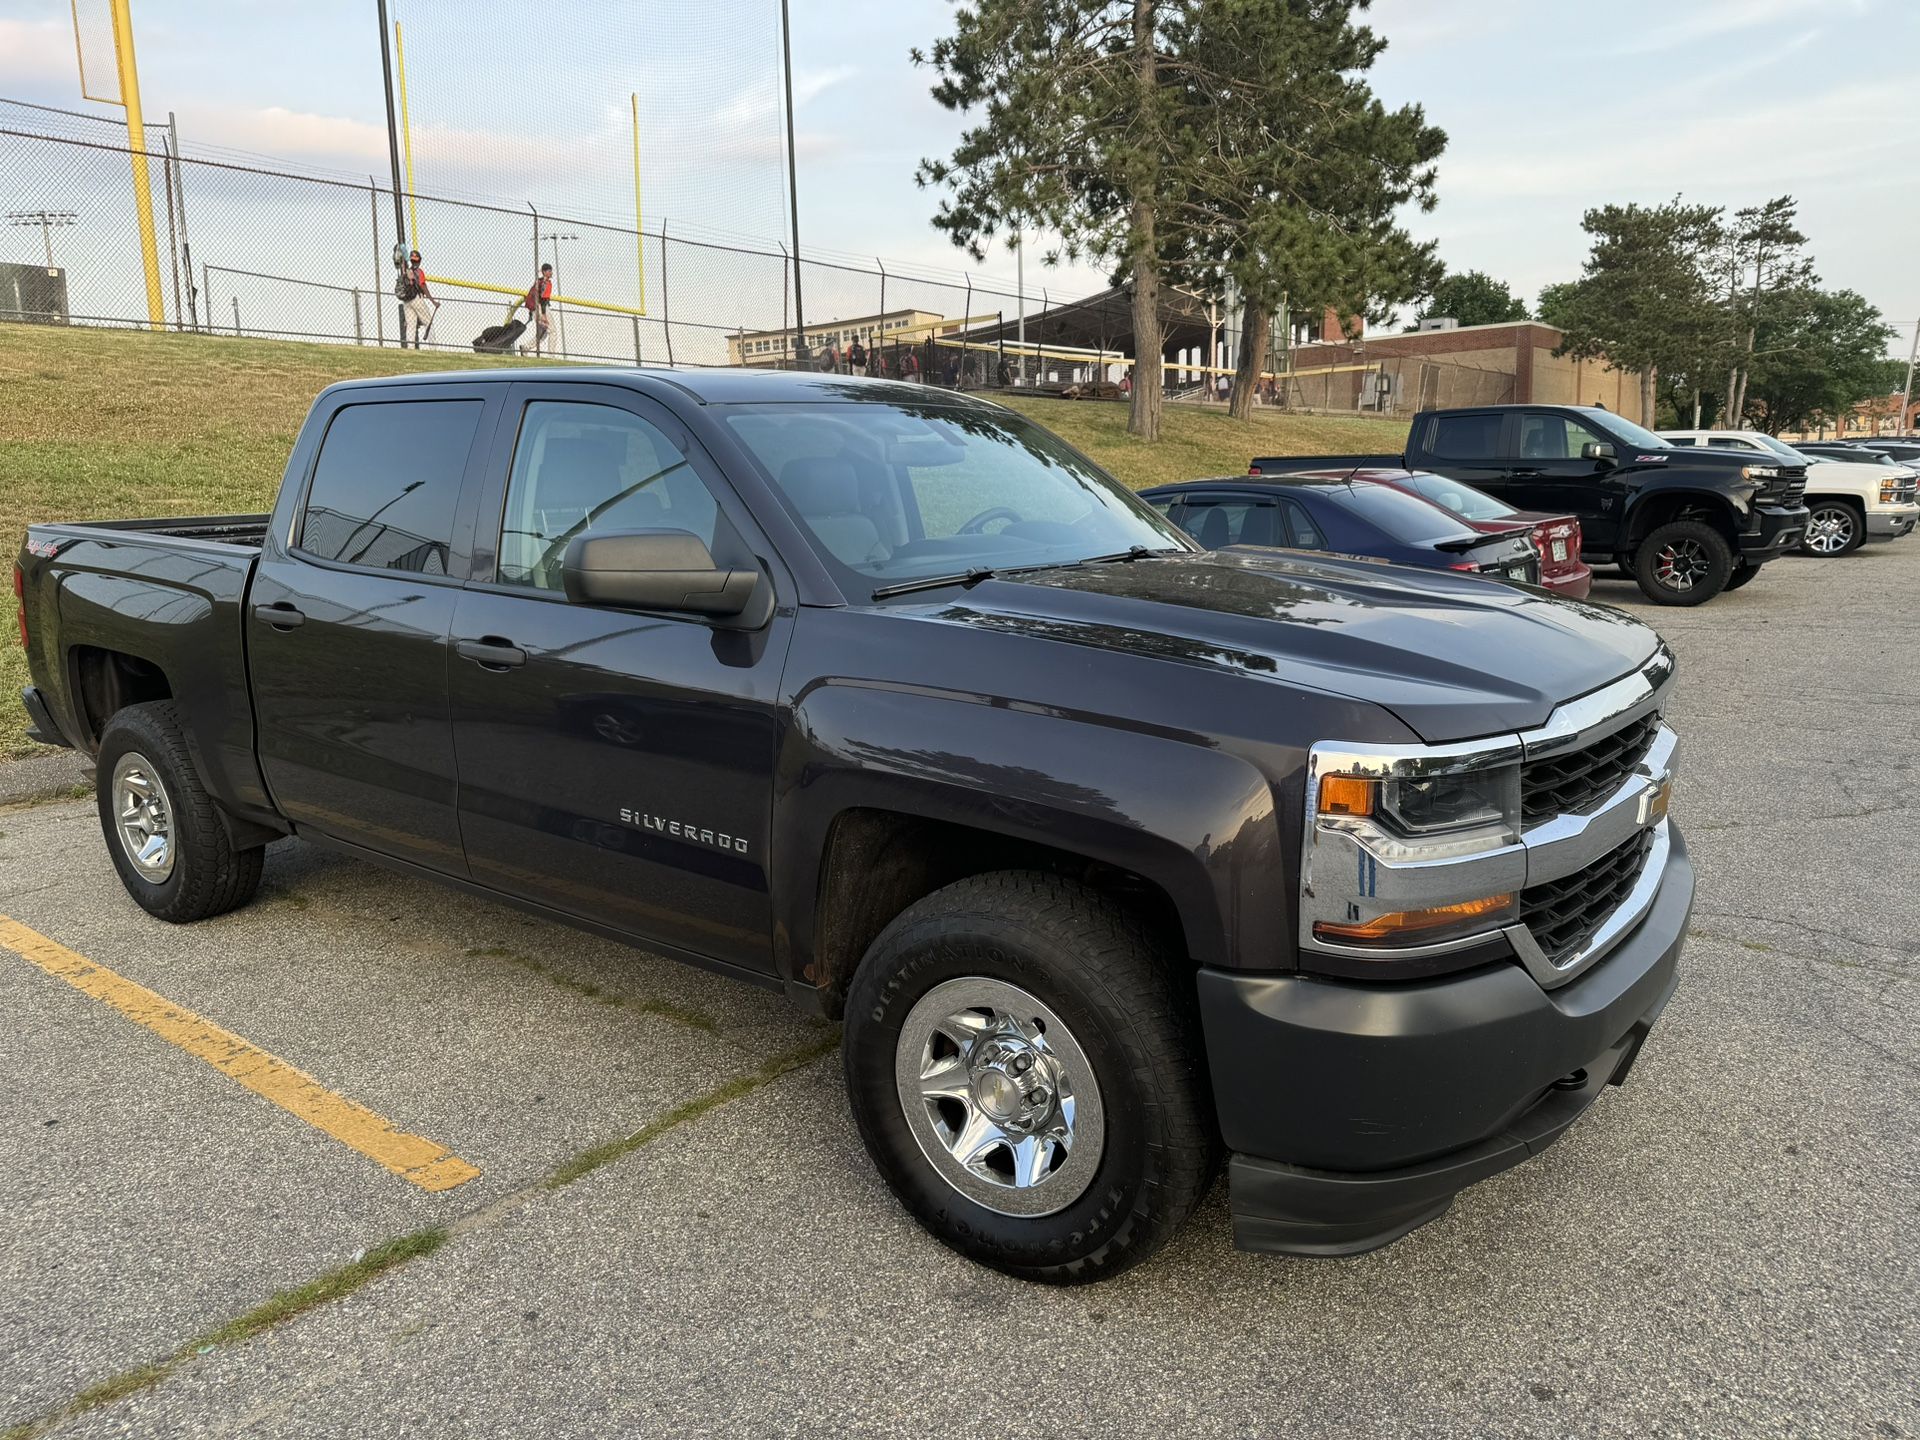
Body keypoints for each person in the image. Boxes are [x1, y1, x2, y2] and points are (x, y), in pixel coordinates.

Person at [397, 249, 436, 348]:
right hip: (416, 298)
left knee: (411, 325)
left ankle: (410, 348)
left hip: (406, 301)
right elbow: (423, 286)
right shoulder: (419, 271)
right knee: (428, 322)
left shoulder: (407, 272)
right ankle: (433, 347)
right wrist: (433, 301)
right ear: (419, 260)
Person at [519, 262, 554, 357]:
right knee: (552, 331)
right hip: (541, 309)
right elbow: (543, 299)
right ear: (544, 272)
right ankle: (551, 356)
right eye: (549, 271)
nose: (551, 273)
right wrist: (543, 315)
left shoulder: (538, 281)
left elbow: (534, 297)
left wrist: (533, 312)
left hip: (535, 309)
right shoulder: (546, 283)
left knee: (543, 334)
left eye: (551, 270)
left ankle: (525, 347)